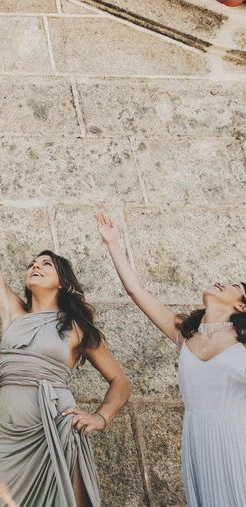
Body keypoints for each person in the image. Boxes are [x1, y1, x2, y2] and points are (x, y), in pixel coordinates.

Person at [0, 173, 130, 507]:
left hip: (58, 427)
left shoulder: (78, 328)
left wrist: (100, 417)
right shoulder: (13, 312)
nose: (35, 267)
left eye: (45, 265)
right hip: (13, 435)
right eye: (32, 264)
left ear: (62, 282)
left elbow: (120, 381)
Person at [98, 212, 246, 506]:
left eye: (231, 285)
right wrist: (113, 243)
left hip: (236, 435)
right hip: (198, 437)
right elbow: (135, 290)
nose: (220, 282)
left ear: (241, 305)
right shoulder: (185, 335)